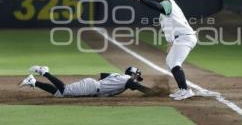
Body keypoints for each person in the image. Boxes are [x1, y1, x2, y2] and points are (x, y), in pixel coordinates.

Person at [133, 0, 197, 100]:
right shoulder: (169, 6)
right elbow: (169, 25)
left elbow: (160, 7)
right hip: (181, 38)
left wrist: (141, 0)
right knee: (170, 61)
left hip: (185, 37)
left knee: (174, 62)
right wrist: (170, 42)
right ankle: (183, 89)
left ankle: (186, 90)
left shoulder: (167, 3)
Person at [19, 65, 153, 97]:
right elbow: (140, 88)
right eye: (137, 76)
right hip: (92, 87)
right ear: (133, 74)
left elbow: (102, 75)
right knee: (65, 91)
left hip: (93, 86)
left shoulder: (119, 76)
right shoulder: (128, 80)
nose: (137, 79)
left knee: (60, 94)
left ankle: (33, 82)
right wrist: (156, 92)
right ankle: (44, 71)